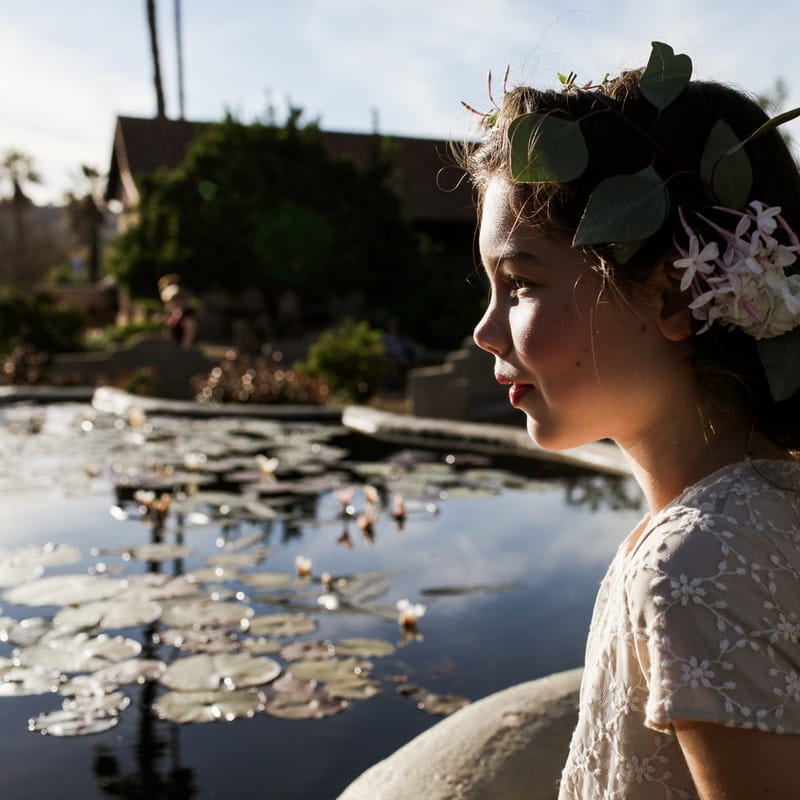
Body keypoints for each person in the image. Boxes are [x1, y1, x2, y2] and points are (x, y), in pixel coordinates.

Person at [463, 42, 800, 798]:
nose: (484, 331)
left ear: (673, 296)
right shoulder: (755, 513)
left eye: (518, 283)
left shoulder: (696, 566)